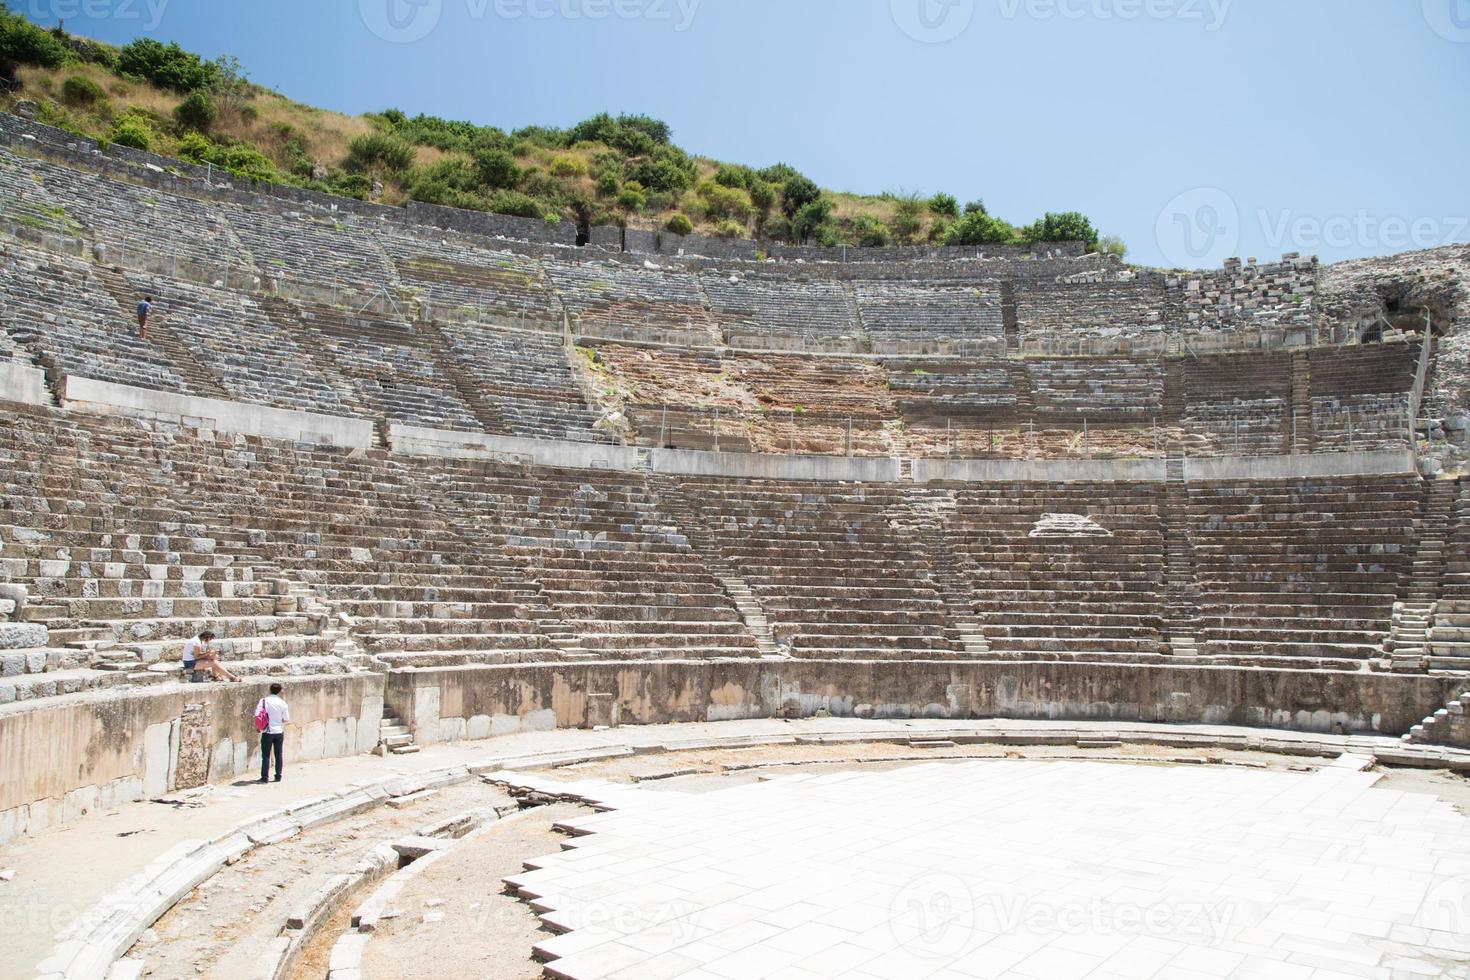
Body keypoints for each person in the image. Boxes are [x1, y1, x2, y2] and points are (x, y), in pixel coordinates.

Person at [256, 684, 291, 784]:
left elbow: (258, 715)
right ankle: (278, 776)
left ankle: (265, 777)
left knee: (266, 755)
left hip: (267, 731)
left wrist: (259, 727)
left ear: (270, 690)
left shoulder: (263, 701)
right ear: (279, 691)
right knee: (279, 754)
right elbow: (286, 719)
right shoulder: (282, 703)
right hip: (279, 731)